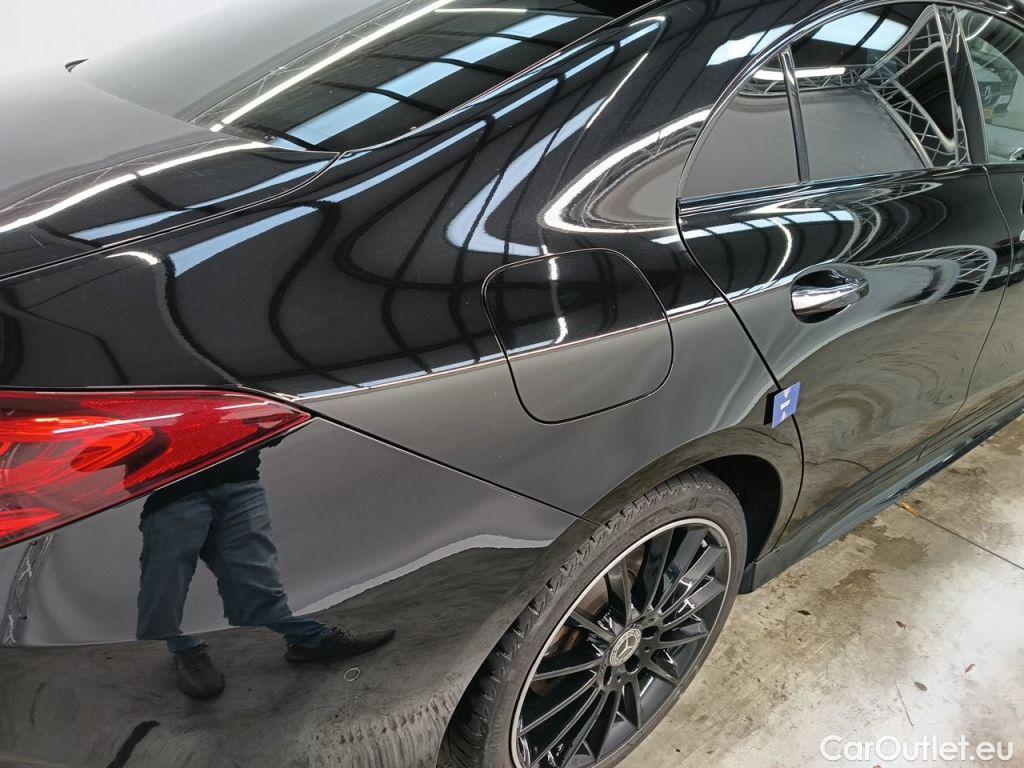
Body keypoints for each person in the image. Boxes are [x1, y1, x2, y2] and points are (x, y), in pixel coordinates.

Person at [136, 449, 393, 699]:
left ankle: (309, 639)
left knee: (256, 580)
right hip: (173, 491)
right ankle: (184, 648)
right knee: (165, 585)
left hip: (239, 480)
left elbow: (270, 425)